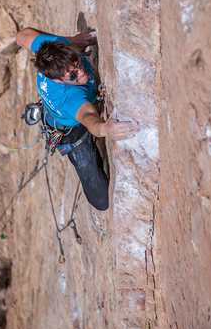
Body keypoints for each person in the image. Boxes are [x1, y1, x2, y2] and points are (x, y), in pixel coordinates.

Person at [16, 27, 139, 210]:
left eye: (78, 63)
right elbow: (89, 118)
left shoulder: (54, 50)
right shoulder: (71, 99)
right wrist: (106, 129)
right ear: (57, 80)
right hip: (71, 132)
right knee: (101, 200)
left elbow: (21, 36)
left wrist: (72, 40)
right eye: (73, 76)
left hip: (59, 111)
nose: (82, 73)